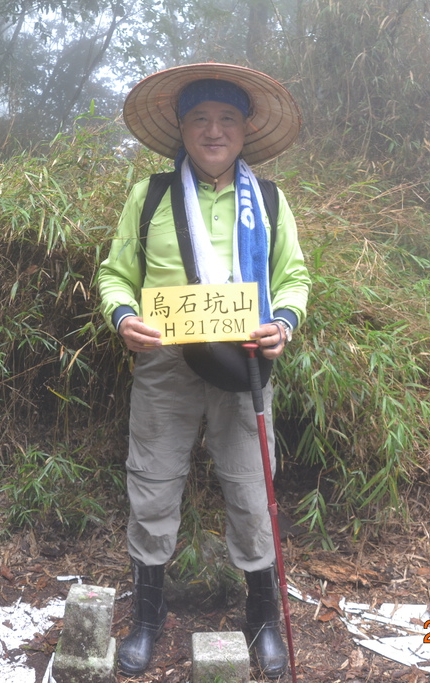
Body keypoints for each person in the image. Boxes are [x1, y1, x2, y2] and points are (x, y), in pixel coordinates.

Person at [96, 63, 310, 679]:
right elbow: (116, 272)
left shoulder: (267, 200)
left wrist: (284, 323)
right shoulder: (153, 196)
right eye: (200, 119)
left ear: (244, 131)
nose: (213, 131)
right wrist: (124, 315)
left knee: (251, 487)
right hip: (163, 360)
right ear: (181, 129)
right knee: (154, 481)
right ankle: (147, 619)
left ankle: (263, 618)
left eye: (226, 119)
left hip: (243, 361)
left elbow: (292, 276)